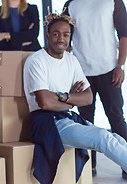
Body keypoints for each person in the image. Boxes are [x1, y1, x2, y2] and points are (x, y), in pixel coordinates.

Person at [23, 12, 127, 184]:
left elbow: (88, 98)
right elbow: (44, 102)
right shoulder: (37, 60)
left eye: (66, 34)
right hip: (46, 123)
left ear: (70, 37)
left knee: (116, 138)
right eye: (56, 33)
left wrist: (63, 96)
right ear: (48, 34)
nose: (61, 39)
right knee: (103, 137)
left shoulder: (71, 60)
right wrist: (70, 101)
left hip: (66, 118)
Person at [63, 0, 127, 178]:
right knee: (85, 124)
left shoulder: (113, 1)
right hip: (82, 74)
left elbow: (124, 35)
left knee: (117, 119)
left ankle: (126, 165)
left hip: (109, 70)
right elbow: (65, 39)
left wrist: (120, 65)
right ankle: (87, 169)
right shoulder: (71, 4)